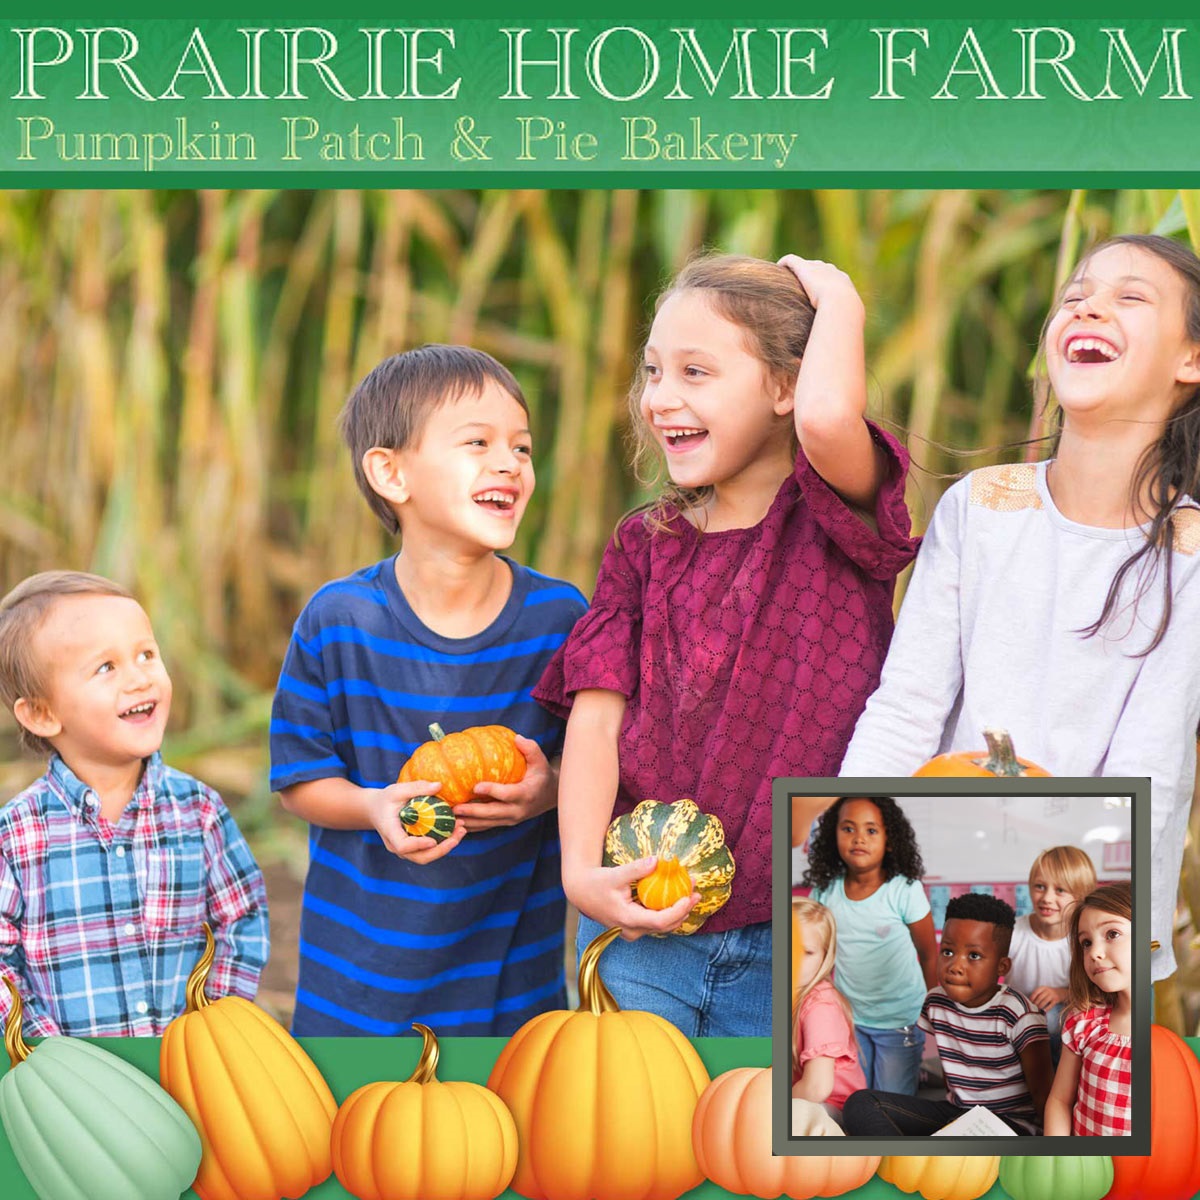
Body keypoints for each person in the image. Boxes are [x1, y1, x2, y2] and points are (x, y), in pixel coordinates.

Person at [534, 252, 919, 1035]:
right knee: (632, 1139)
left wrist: (839, 293)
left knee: (756, 1148)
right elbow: (597, 719)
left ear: (785, 386)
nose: (659, 397)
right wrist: (582, 869)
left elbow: (825, 423)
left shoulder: (838, 521)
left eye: (695, 372)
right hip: (644, 919)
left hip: (804, 938)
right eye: (652, 371)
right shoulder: (646, 543)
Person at [840, 234, 1200, 983]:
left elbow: (1150, 776)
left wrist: (1089, 943)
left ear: (1190, 361)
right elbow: (906, 706)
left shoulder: (1191, 551)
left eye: (1129, 297)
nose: (1088, 305)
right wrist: (843, 880)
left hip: (1088, 930)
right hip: (937, 906)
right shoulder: (979, 507)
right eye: (1075, 295)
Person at [270, 345, 587, 1036]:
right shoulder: (339, 621)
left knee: (507, 1138)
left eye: (522, 448)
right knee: (354, 1139)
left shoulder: (560, 621)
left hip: (509, 987)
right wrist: (373, 807)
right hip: (360, 989)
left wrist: (550, 788)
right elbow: (300, 780)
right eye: (477, 443)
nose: (509, 463)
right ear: (390, 472)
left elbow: (598, 762)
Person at [0, 571, 268, 1037]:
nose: (139, 677)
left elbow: (241, 919)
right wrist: (46, 1048)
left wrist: (211, 1028)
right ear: (42, 713)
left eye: (146, 654)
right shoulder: (17, 836)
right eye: (106, 667)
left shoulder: (197, 812)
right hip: (71, 1080)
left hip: (183, 1070)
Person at [843, 892, 1053, 1136]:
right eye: (948, 952)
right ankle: (908, 1159)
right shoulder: (936, 1002)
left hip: (1010, 1125)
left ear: (1001, 966)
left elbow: (1043, 1093)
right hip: (957, 1115)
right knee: (862, 1104)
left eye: (974, 956)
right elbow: (952, 1072)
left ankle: (920, 1159)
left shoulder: (1020, 1014)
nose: (955, 966)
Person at [804, 796, 938, 1093]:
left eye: (871, 830)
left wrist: (937, 1009)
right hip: (851, 1019)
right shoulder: (825, 892)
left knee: (891, 1102)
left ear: (890, 840)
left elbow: (929, 954)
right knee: (858, 1099)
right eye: (848, 829)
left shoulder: (904, 890)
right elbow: (817, 958)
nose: (859, 839)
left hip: (901, 1019)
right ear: (831, 836)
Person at [1045, 881, 1133, 1136]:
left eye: (1112, 934)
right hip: (1083, 1171)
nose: (1094, 952)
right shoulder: (1083, 1021)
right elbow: (1060, 1101)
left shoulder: (1162, 1037)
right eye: (1086, 943)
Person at [1008, 845, 1098, 1062]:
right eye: (1039, 886)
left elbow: (1095, 989)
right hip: (1018, 1020)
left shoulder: (1084, 938)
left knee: (1053, 1017)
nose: (1047, 898)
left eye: (1060, 890)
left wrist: (1061, 993)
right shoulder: (1012, 930)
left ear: (1081, 895)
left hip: (1062, 1023)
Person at [791, 897, 866, 1122]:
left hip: (834, 1111)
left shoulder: (821, 1008)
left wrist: (767, 1100)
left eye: (808, 952)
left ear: (825, 957)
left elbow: (817, 1088)